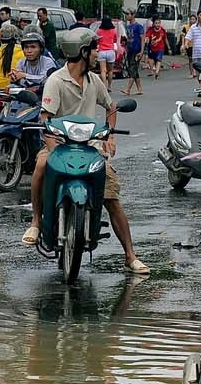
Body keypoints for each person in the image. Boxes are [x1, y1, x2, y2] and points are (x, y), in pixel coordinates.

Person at [25, 28, 148, 273]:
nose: (96, 54)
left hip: (90, 148)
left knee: (111, 196)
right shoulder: (56, 81)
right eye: (93, 49)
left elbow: (111, 107)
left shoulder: (95, 81)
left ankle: (130, 255)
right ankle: (36, 221)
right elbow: (46, 118)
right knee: (40, 165)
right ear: (82, 52)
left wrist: (109, 136)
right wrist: (53, 150)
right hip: (59, 143)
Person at [9, 30, 57, 96]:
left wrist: (24, 75)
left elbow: (43, 79)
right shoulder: (21, 62)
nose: (29, 51)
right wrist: (14, 78)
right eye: (26, 47)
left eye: (33, 47)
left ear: (41, 49)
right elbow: (19, 81)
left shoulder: (48, 62)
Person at [122, 10, 146, 96]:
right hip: (130, 50)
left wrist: (142, 51)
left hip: (137, 50)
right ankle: (139, 89)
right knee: (133, 69)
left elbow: (143, 38)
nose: (127, 16)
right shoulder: (128, 26)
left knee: (133, 68)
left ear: (133, 15)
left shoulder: (138, 26)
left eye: (128, 14)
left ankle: (128, 89)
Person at [94, 17, 119, 86]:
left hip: (102, 51)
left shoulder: (99, 31)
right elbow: (115, 40)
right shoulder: (113, 31)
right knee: (110, 70)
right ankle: (109, 86)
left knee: (103, 71)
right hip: (110, 51)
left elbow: (96, 40)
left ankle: (104, 85)